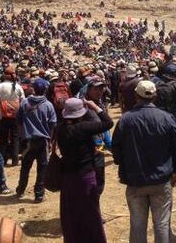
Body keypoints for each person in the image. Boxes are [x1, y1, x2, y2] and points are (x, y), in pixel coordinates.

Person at [112, 80, 176, 243]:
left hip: (135, 180)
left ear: (136, 96)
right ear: (155, 96)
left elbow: (116, 147)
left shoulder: (126, 119)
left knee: (137, 224)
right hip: (161, 179)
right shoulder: (167, 118)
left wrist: (124, 164)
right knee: (162, 224)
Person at [57, 98, 113, 243]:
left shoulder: (60, 128)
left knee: (71, 214)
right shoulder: (84, 128)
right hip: (85, 176)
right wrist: (95, 107)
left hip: (68, 178)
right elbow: (108, 123)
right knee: (91, 213)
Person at [16, 78, 57, 203]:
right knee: (42, 167)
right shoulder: (48, 105)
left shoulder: (24, 103)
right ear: (45, 90)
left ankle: (20, 190)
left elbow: (18, 121)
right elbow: (53, 124)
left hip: (28, 140)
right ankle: (39, 194)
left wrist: (22, 134)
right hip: (43, 140)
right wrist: (50, 140)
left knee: (25, 166)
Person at [0, 66, 25, 166]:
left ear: (4, 75)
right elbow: (23, 100)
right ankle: (15, 160)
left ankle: (3, 159)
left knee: (3, 138)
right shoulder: (18, 87)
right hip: (15, 116)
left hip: (2, 116)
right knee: (15, 138)